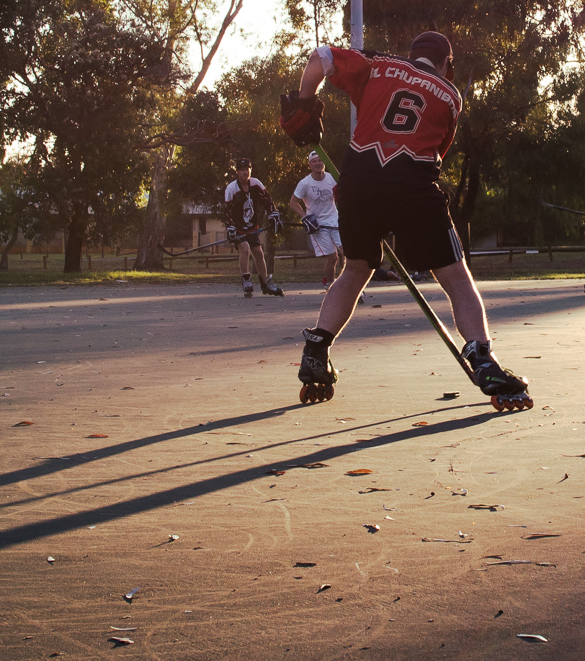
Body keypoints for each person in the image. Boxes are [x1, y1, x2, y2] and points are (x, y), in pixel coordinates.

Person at [279, 31, 530, 409]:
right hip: (413, 183)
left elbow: (321, 57)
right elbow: (436, 153)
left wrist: (304, 100)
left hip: (359, 179)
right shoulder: (450, 95)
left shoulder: (378, 64)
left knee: (355, 270)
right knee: (456, 278)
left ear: (411, 52)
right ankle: (483, 360)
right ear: (446, 63)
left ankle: (316, 349)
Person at [224, 158, 282, 298]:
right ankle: (246, 280)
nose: (245, 172)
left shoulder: (256, 184)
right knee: (245, 249)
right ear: (237, 172)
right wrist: (230, 227)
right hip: (238, 226)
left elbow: (267, 201)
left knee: (258, 252)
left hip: (252, 225)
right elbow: (227, 212)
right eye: (242, 170)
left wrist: (273, 215)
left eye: (248, 169)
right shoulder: (231, 189)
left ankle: (265, 284)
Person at [289, 150, 343, 287]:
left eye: (320, 160)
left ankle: (347, 285)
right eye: (314, 161)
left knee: (347, 252)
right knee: (333, 258)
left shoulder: (332, 178)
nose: (318, 163)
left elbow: (343, 194)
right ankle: (330, 285)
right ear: (310, 164)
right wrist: (305, 217)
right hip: (318, 226)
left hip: (334, 220)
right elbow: (293, 202)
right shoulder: (305, 183)